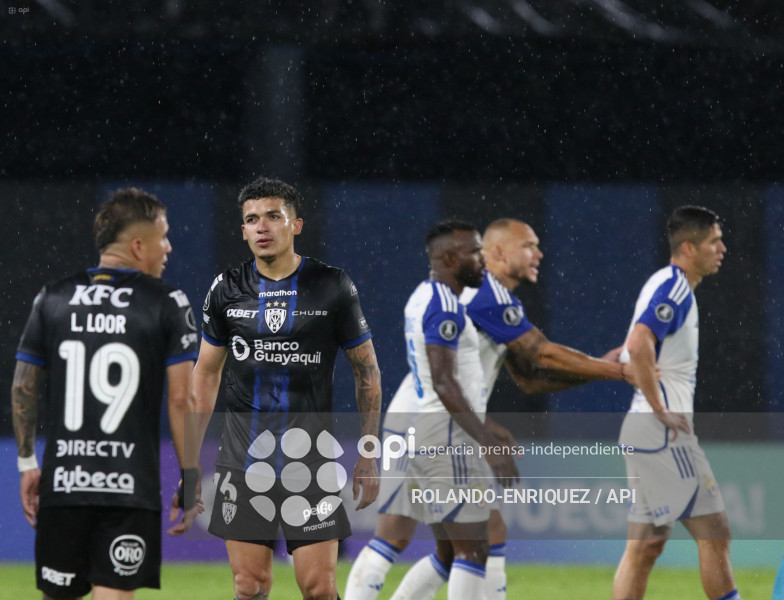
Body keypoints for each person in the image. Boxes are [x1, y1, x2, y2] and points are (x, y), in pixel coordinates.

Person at [345, 218, 635, 600]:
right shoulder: (488, 295)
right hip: (442, 427)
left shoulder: (453, 295)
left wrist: (597, 370)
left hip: (409, 422)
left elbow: (530, 378)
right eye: (528, 246)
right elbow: (540, 352)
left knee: (407, 539)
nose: (538, 254)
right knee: (481, 538)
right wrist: (616, 370)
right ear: (497, 252)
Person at [191, 176, 381, 600]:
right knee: (249, 585)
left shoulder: (332, 285)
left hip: (310, 461)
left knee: (318, 588)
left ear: (296, 224)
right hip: (242, 461)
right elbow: (205, 374)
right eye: (252, 219)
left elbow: (366, 370)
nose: (262, 227)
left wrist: (369, 452)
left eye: (273, 217)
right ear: (242, 230)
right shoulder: (225, 289)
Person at [11, 188, 202, 600]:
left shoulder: (53, 297)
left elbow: (24, 387)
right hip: (129, 488)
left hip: (65, 482)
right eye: (163, 236)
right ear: (137, 245)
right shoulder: (167, 302)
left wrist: (28, 462)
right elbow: (182, 400)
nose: (168, 247)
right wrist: (190, 475)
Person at [612, 205, 741, 600]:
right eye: (714, 241)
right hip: (662, 433)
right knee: (714, 532)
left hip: (642, 430)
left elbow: (628, 351)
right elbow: (637, 343)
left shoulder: (662, 284)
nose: (722, 248)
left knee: (645, 545)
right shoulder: (675, 288)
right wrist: (660, 408)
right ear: (688, 247)